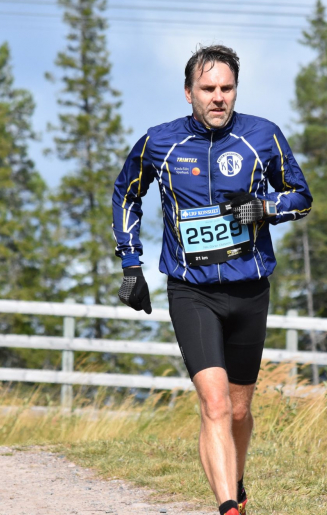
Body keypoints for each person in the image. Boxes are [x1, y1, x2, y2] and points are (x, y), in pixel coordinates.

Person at [111, 45, 311, 515]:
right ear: (188, 93)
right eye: (208, 88)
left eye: (227, 88)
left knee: (239, 411)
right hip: (191, 291)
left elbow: (301, 197)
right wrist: (131, 264)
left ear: (235, 90)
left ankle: (235, 482)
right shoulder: (159, 143)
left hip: (249, 290)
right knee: (215, 405)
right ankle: (228, 507)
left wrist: (264, 208)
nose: (218, 97)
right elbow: (126, 194)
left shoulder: (262, 136)